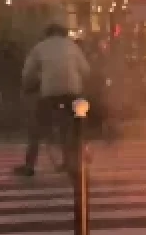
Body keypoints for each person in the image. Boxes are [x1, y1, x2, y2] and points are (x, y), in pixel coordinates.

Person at [14, 24, 91, 177]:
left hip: (49, 93)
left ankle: (29, 165)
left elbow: (27, 72)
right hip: (72, 92)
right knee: (71, 128)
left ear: (47, 34)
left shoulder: (39, 47)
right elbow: (86, 70)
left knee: (37, 129)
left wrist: (30, 85)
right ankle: (72, 163)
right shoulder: (72, 46)